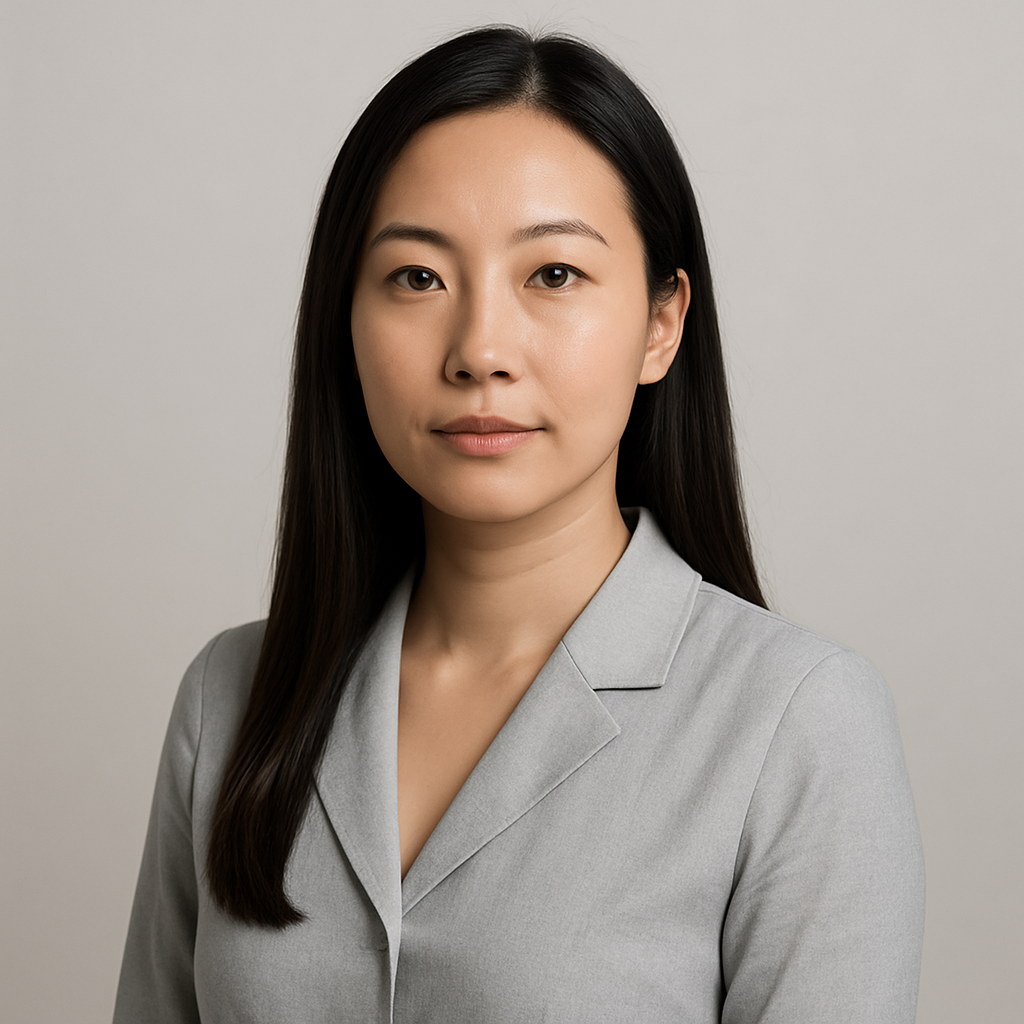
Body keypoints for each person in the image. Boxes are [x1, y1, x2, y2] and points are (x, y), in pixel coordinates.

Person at [113, 24, 925, 1024]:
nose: (480, 349)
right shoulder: (229, 700)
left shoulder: (795, 722)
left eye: (552, 275)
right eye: (417, 277)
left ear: (661, 322)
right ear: (345, 315)